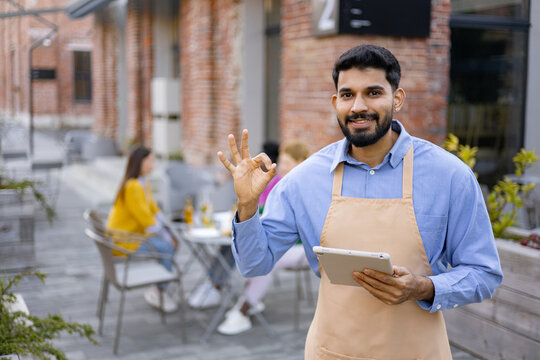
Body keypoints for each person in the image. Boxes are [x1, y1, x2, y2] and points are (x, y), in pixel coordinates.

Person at [217, 45, 503, 359]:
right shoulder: (305, 179)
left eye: (373, 92)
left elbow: (483, 273)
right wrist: (247, 207)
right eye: (347, 94)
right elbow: (254, 264)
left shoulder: (449, 176)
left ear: (397, 98)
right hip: (333, 351)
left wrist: (423, 287)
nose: (358, 106)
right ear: (335, 102)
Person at [217, 141, 311, 335]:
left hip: (304, 248)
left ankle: (243, 310)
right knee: (256, 252)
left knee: (268, 258)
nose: (282, 166)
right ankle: (248, 299)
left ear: (300, 162)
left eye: (287, 162)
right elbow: (266, 210)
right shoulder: (282, 183)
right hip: (285, 244)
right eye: (281, 161)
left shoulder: (304, 188)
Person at [187, 141, 280, 309]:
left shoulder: (277, 182)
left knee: (232, 246)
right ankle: (213, 283)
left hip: (265, 233)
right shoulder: (258, 176)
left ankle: (216, 286)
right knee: (230, 245)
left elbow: (268, 211)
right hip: (252, 227)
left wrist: (250, 206)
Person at [107, 146, 179, 312]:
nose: (153, 164)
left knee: (167, 243)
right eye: (151, 160)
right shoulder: (133, 186)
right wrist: (168, 237)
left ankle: (159, 287)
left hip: (133, 237)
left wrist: (168, 233)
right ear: (140, 162)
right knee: (167, 248)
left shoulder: (142, 182)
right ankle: (158, 291)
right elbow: (149, 222)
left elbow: (154, 212)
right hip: (124, 242)